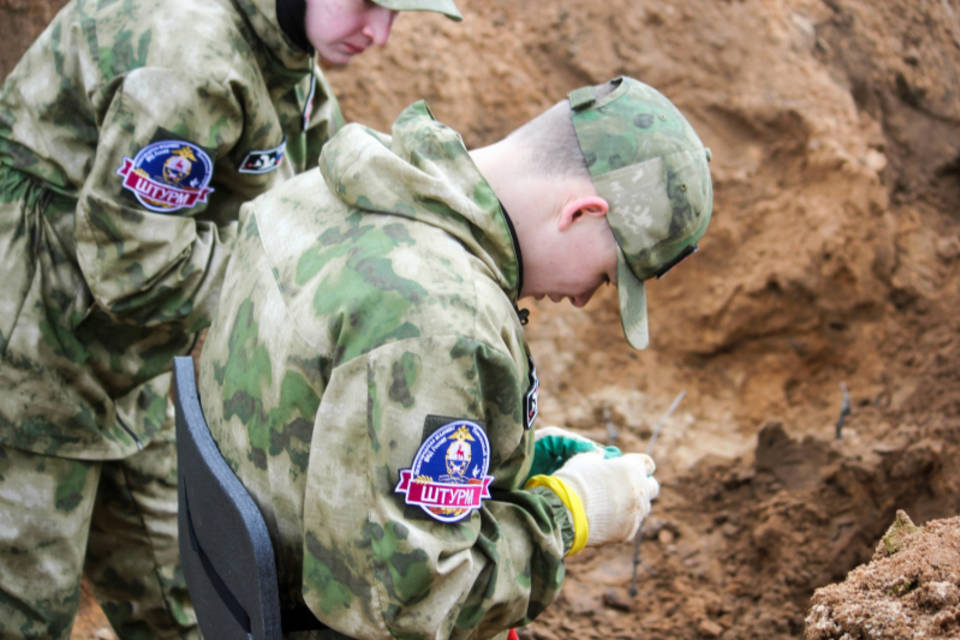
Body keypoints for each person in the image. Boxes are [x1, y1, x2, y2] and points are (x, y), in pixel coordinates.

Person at [0, 0, 462, 638]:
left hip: (129, 371)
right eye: (369, 1)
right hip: (26, 357)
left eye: (398, 15)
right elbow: (137, 265)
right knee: (23, 610)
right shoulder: (192, 56)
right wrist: (301, 302)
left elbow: (326, 196)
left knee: (201, 601)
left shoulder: (283, 49)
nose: (380, 33)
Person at [197, 75, 713, 639]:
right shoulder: (440, 322)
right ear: (581, 213)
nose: (587, 297)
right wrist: (571, 513)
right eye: (608, 275)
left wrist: (500, 458)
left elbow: (329, 428)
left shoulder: (325, 191)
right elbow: (413, 606)